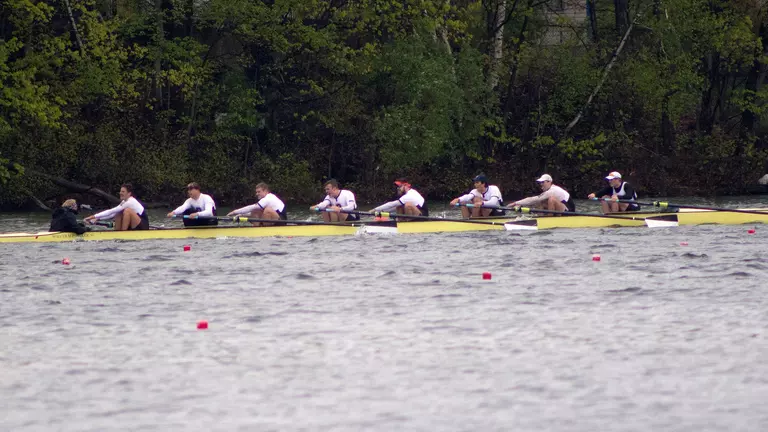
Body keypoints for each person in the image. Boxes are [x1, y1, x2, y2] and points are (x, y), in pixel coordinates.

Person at [84, 183, 150, 230]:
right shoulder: (124, 202)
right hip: (134, 224)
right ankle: (117, 232)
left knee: (127, 211)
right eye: (120, 191)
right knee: (118, 213)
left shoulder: (130, 201)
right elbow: (112, 214)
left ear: (129, 193)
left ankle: (123, 233)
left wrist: (92, 216)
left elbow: (111, 211)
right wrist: (98, 219)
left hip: (143, 225)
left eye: (123, 191)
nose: (120, 193)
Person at [508, 174, 576, 212]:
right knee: (541, 201)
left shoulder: (553, 190)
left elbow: (533, 199)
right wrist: (521, 205)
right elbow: (534, 201)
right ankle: (540, 217)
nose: (541, 184)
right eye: (540, 182)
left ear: (549, 182)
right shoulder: (549, 190)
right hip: (562, 208)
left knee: (551, 199)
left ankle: (549, 220)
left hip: (569, 211)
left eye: (543, 182)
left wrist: (515, 203)